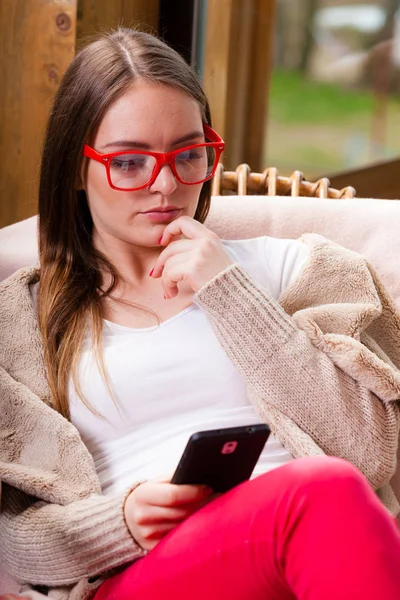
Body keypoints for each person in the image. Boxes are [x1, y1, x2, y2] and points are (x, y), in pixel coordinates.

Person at [1, 28, 400, 600]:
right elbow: (13, 536)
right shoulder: (23, 322)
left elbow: (367, 452)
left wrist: (231, 294)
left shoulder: (289, 269)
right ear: (73, 167)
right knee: (322, 490)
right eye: (130, 162)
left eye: (188, 155)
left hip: (316, 562)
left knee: (328, 493)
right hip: (146, 577)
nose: (165, 185)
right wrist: (121, 522)